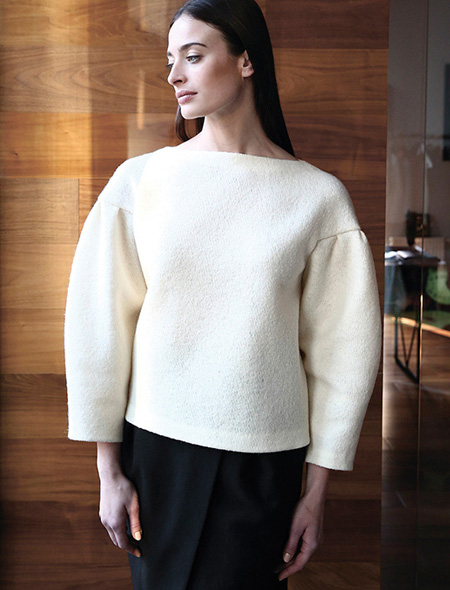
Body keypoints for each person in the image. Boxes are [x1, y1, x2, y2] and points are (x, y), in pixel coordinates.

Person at [64, 0, 382, 588]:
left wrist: (316, 492)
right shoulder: (141, 182)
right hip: (157, 451)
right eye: (169, 59)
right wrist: (108, 470)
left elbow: (344, 354)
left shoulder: (317, 198)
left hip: (266, 459)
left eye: (192, 56)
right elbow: (99, 327)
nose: (173, 75)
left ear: (245, 61)